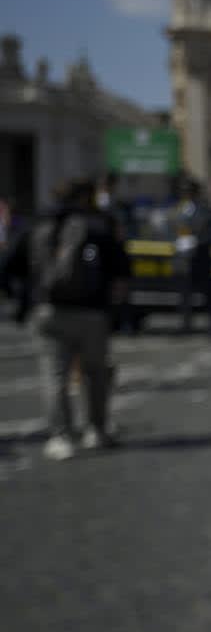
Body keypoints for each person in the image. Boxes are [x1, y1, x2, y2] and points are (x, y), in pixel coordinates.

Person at [6, 176, 131, 459]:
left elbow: (9, 265)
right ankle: (96, 430)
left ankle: (61, 436)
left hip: (48, 310)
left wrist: (26, 296)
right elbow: (121, 267)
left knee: (55, 375)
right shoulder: (97, 226)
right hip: (91, 312)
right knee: (95, 374)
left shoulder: (35, 225)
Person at [171, 178, 211, 335]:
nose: (186, 194)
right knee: (184, 294)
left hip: (201, 257)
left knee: (208, 294)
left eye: (189, 191)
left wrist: (198, 241)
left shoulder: (205, 210)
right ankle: (186, 324)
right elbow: (170, 229)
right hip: (184, 259)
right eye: (184, 191)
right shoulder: (177, 210)